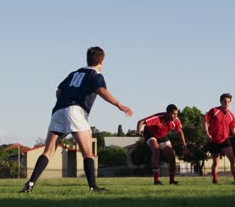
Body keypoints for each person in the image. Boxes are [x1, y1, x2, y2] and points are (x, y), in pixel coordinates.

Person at [20, 46, 133, 193]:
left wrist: (65, 104)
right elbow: (101, 90)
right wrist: (119, 105)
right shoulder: (96, 74)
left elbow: (58, 91)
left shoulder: (74, 73)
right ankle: (93, 187)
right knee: (88, 153)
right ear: (101, 61)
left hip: (58, 111)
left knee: (48, 151)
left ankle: (30, 184)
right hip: (75, 111)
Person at [137, 104, 190, 185]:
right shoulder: (158, 117)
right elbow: (141, 121)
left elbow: (180, 132)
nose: (175, 116)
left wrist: (185, 145)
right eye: (173, 114)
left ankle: (172, 181)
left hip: (162, 136)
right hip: (150, 134)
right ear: (167, 113)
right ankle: (156, 180)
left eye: (176, 114)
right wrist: (138, 131)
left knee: (172, 155)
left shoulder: (176, 121)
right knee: (156, 150)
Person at [204, 93, 235, 184]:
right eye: (225, 101)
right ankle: (215, 180)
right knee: (216, 162)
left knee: (232, 159)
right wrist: (207, 133)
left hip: (225, 140)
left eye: (229, 102)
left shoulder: (231, 115)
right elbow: (205, 121)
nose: (227, 103)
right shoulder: (214, 111)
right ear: (221, 102)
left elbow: (234, 129)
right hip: (214, 140)